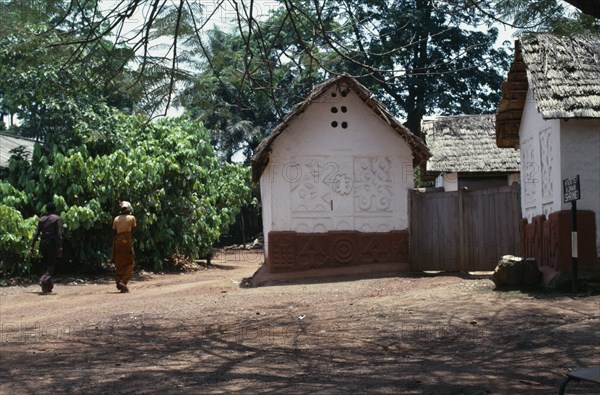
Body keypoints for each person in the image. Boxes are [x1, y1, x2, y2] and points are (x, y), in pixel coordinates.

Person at [31, 202, 63, 293]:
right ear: (54, 209)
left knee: (46, 264)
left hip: (43, 243)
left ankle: (47, 287)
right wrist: (60, 246)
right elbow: (58, 234)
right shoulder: (56, 219)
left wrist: (32, 247)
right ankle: (43, 279)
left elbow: (36, 234)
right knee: (51, 264)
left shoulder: (42, 219)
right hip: (51, 243)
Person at [112, 201, 136, 293]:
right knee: (130, 263)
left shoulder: (116, 219)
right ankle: (123, 282)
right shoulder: (132, 218)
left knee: (119, 263)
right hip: (127, 241)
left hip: (118, 241)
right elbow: (133, 229)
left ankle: (118, 282)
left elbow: (114, 231)